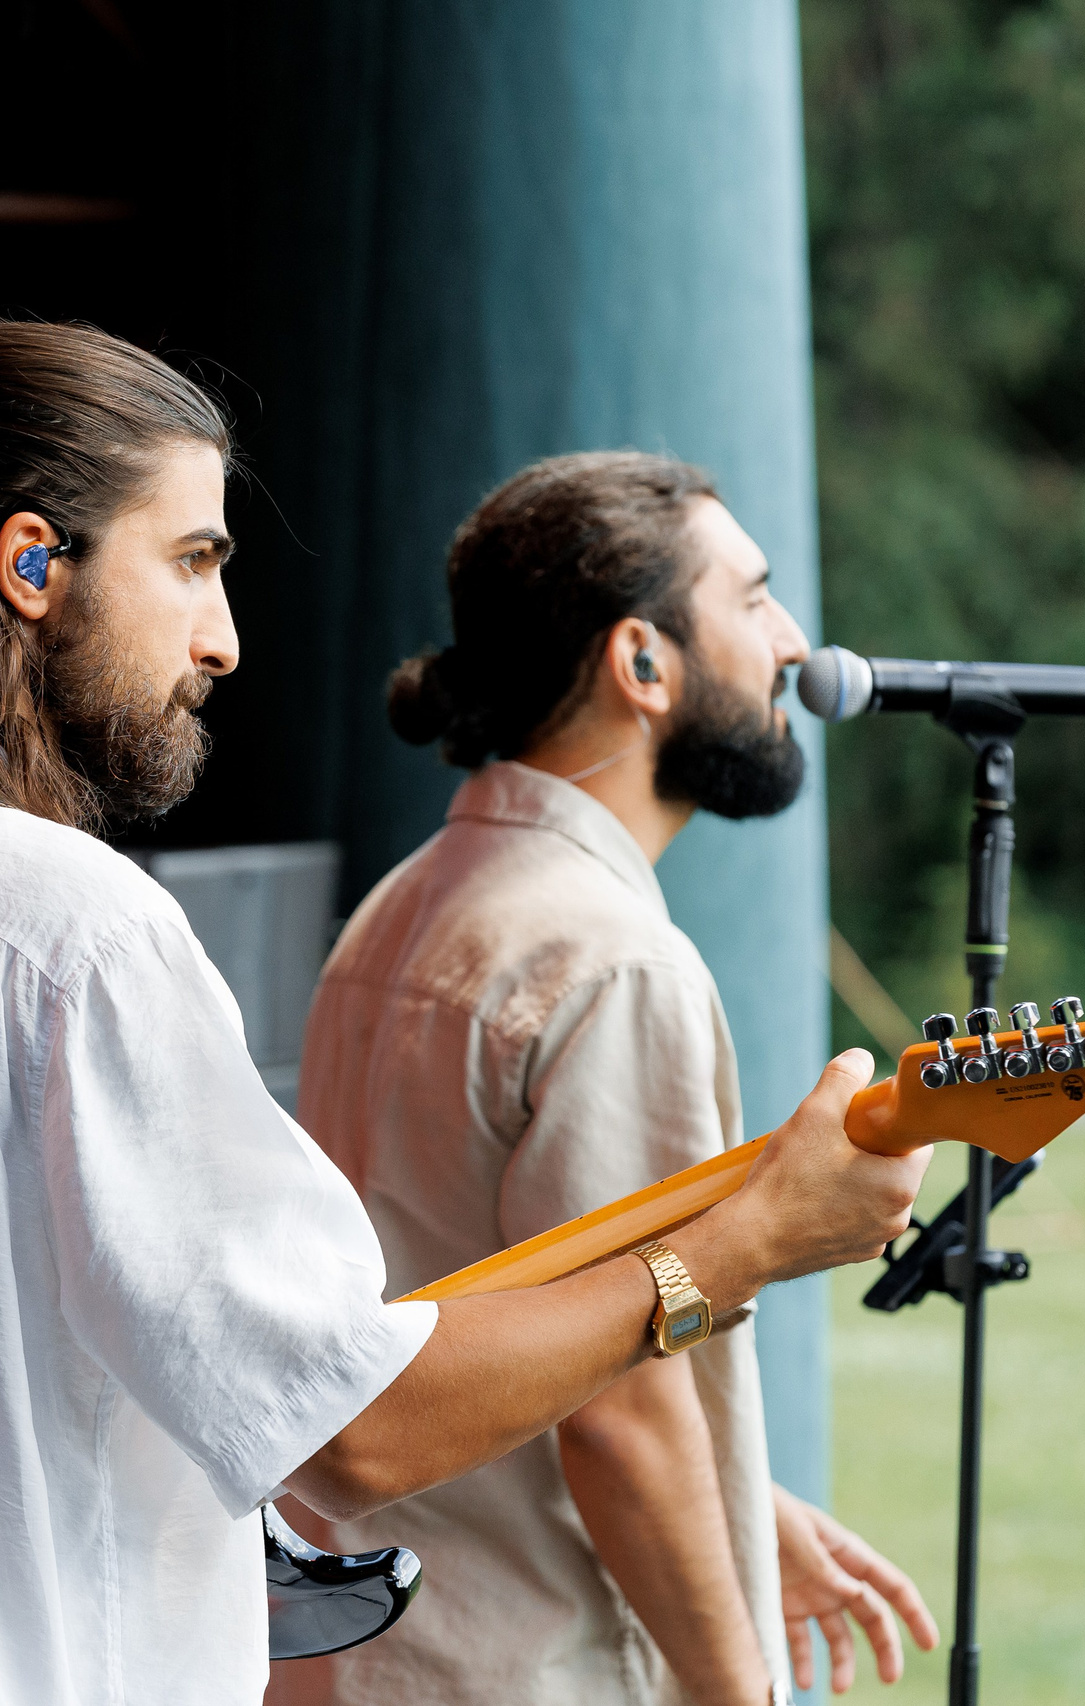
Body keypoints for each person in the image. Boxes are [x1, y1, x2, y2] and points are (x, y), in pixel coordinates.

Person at [0, 323, 931, 1706]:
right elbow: (353, 1434)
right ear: (30, 566)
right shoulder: (68, 931)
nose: (227, 638)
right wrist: (747, 1242)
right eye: (194, 559)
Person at [276, 453, 941, 1706]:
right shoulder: (615, 961)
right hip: (524, 1664)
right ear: (644, 664)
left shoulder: (401, 905)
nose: (794, 643)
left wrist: (748, 1505)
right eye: (751, 598)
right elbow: (617, 1416)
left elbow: (506, 1317)